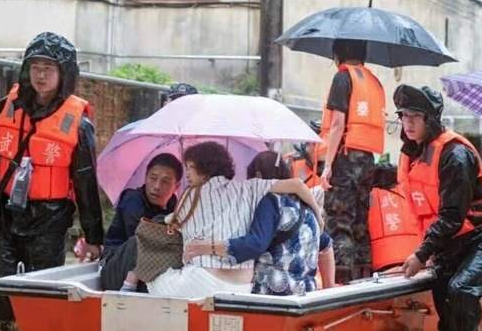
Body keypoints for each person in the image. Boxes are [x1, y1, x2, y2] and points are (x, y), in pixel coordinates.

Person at [0, 32, 104, 331]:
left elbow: (85, 183)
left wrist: (93, 236)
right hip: (7, 211)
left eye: (48, 69)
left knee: (42, 283)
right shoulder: (7, 107)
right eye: (35, 67)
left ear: (63, 74)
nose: (40, 75)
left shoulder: (78, 125)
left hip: (51, 216)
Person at [392, 85, 482, 331]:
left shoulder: (455, 156)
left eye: (415, 116)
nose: (408, 122)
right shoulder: (415, 152)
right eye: (404, 115)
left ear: (430, 119)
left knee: (462, 290)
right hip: (449, 242)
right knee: (443, 300)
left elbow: (452, 216)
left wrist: (421, 254)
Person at [142, 142, 322, 298]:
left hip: (203, 281)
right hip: (243, 286)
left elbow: (174, 223)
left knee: (154, 281)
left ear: (203, 166)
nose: (186, 173)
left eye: (189, 166)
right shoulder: (250, 188)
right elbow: (298, 185)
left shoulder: (191, 194)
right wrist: (319, 216)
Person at [184, 151, 335, 295]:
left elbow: (255, 245)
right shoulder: (306, 207)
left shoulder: (271, 202)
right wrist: (329, 287)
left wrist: (208, 247)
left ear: (258, 176)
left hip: (272, 295)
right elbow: (326, 246)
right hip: (306, 293)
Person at [318, 39, 386, 284]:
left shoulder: (343, 78)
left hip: (344, 158)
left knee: (339, 220)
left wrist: (327, 166)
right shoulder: (374, 81)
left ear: (340, 54)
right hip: (367, 159)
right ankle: (364, 276)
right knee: (360, 222)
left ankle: (341, 280)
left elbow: (337, 124)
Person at [97, 153, 182, 291]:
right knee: (147, 234)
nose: (156, 186)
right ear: (145, 177)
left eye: (165, 181)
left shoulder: (176, 207)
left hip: (151, 268)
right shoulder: (133, 199)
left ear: (176, 186)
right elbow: (144, 241)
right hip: (118, 268)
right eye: (153, 178)